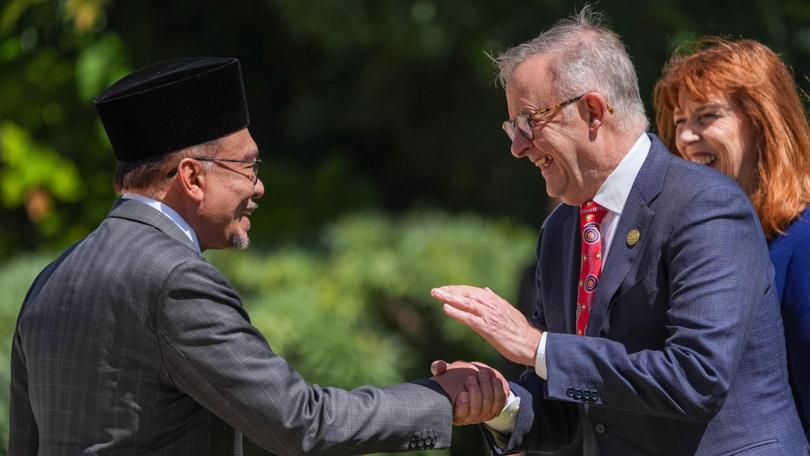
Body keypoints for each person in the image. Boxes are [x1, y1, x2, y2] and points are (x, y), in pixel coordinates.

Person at [9, 57, 507, 455]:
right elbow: (300, 424)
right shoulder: (174, 278)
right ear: (192, 177)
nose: (259, 186)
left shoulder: (53, 278)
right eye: (247, 167)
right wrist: (442, 399)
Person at [429, 7, 809, 456]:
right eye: (513, 126)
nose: (517, 146)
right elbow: (569, 407)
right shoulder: (560, 232)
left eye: (531, 121)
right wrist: (497, 402)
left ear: (593, 110)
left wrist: (537, 347)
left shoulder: (706, 204)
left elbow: (697, 378)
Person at [652, 37, 810, 437]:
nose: (685, 138)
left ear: (762, 123)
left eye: (706, 117)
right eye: (679, 122)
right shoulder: (698, 244)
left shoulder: (802, 240)